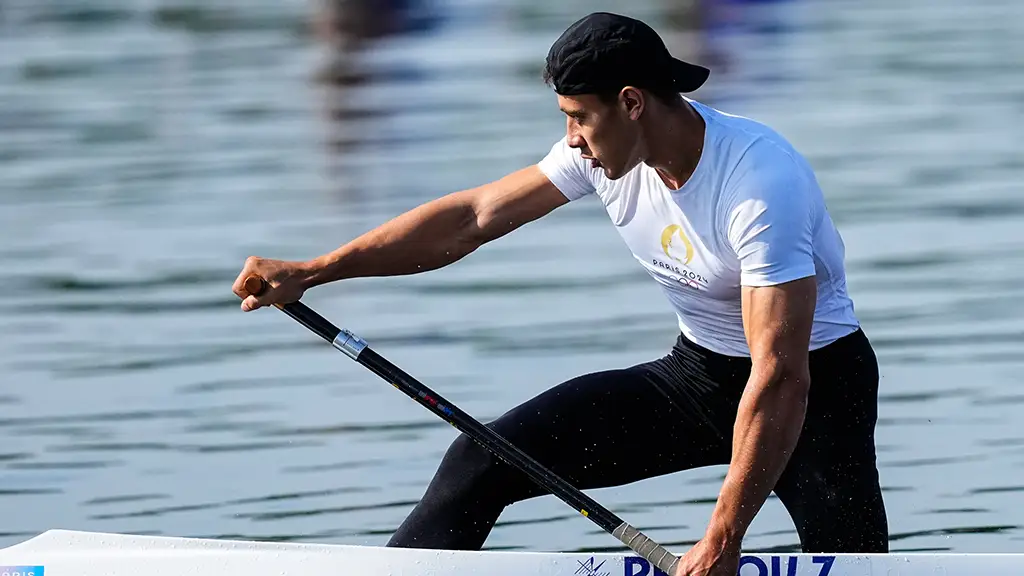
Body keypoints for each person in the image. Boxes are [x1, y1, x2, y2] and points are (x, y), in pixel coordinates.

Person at [232, 11, 888, 576]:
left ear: (631, 103)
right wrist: (316, 270)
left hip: (814, 394)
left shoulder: (759, 184)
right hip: (697, 379)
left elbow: (779, 374)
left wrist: (723, 536)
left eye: (580, 119)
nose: (572, 139)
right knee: (480, 461)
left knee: (853, 561)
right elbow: (470, 220)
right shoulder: (601, 154)